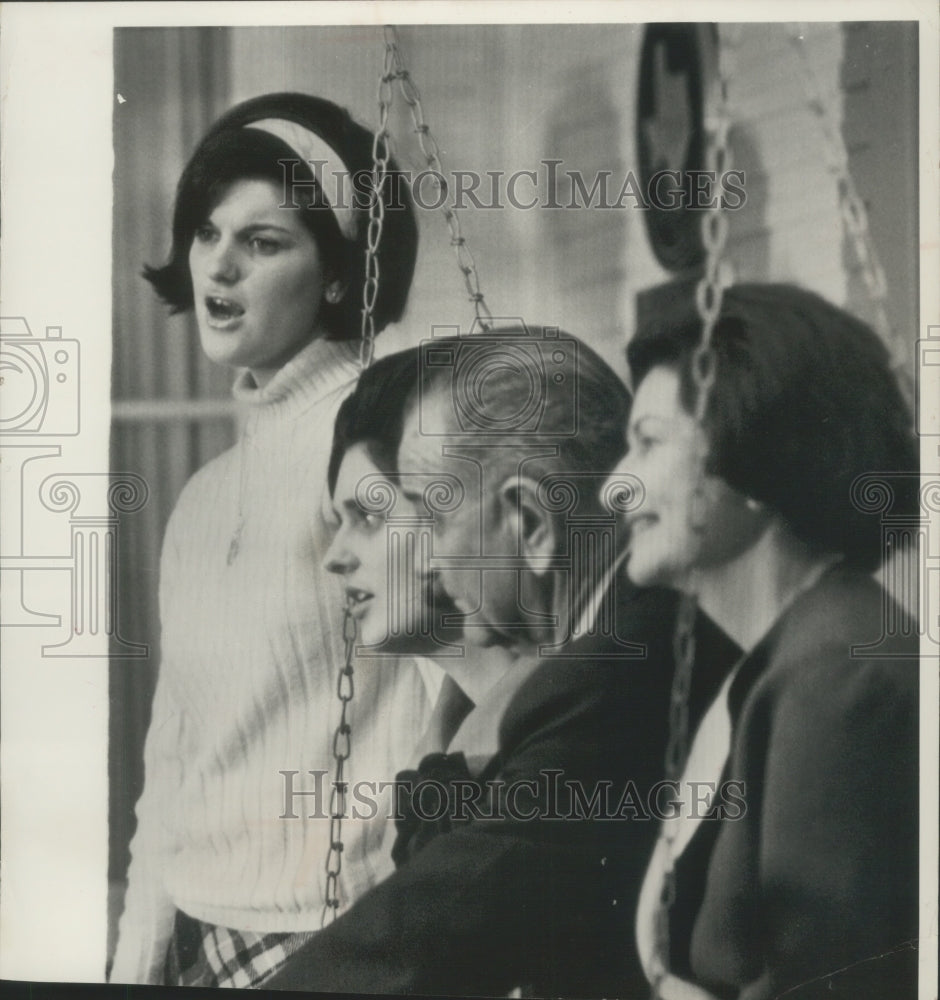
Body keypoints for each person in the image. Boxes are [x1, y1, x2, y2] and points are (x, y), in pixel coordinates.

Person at [266, 328, 739, 996]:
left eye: (431, 520)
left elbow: (427, 938)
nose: (431, 560)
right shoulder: (623, 637)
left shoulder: (608, 678)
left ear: (530, 522)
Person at [110, 92, 431, 987]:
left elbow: (456, 707)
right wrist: (132, 963)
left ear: (336, 274)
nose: (218, 268)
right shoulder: (204, 496)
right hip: (194, 940)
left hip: (333, 940)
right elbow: (171, 761)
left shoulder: (386, 442)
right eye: (210, 234)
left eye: (263, 242)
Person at [608, 283, 919, 999]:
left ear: (756, 456)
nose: (614, 489)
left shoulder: (838, 677)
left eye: (648, 444)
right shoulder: (792, 654)